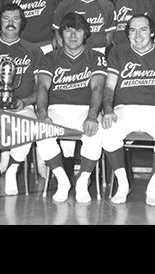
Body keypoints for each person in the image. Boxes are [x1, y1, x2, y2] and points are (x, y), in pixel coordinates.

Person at [102, 15, 155, 205]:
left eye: (143, 29)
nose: (138, 35)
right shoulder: (118, 52)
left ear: (152, 32)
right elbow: (109, 86)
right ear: (127, 35)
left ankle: (153, 186)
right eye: (132, 30)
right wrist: (108, 109)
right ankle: (123, 184)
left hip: (154, 110)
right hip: (123, 109)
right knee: (108, 131)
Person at [36, 13, 107, 203]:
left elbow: (98, 87)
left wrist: (92, 116)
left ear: (86, 34)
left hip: (84, 108)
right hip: (57, 108)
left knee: (95, 130)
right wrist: (42, 114)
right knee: (40, 129)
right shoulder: (51, 57)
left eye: (78, 30)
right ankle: (62, 180)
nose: (73, 35)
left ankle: (82, 181)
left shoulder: (95, 57)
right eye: (68, 30)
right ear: (61, 35)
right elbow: (42, 87)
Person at [0, 3, 44, 195]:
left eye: (15, 19)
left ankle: (13, 170)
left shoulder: (34, 50)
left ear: (22, 23)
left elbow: (41, 87)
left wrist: (27, 101)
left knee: (29, 124)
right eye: (6, 18)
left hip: (22, 105)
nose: (10, 23)